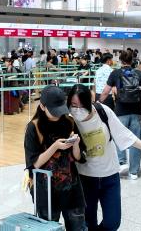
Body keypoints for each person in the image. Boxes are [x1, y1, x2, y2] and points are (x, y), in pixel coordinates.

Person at [67, 85, 141, 231]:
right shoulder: (69, 120)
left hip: (110, 176)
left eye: (82, 105)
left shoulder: (102, 112)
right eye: (74, 105)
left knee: (112, 222)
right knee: (89, 222)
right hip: (85, 178)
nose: (77, 109)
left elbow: (125, 135)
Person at [24, 86, 86, 230]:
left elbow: (77, 157)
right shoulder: (34, 127)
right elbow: (34, 165)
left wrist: (76, 144)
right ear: (42, 106)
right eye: (54, 111)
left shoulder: (69, 122)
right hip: (46, 193)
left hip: (72, 188)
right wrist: (55, 147)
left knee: (78, 227)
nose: (58, 115)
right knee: (50, 227)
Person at [99, 51, 141, 180]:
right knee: (136, 142)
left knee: (118, 138)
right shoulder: (140, 74)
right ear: (132, 60)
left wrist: (97, 104)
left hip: (120, 112)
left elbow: (105, 91)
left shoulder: (115, 73)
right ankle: (133, 172)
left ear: (120, 61)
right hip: (137, 112)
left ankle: (120, 164)